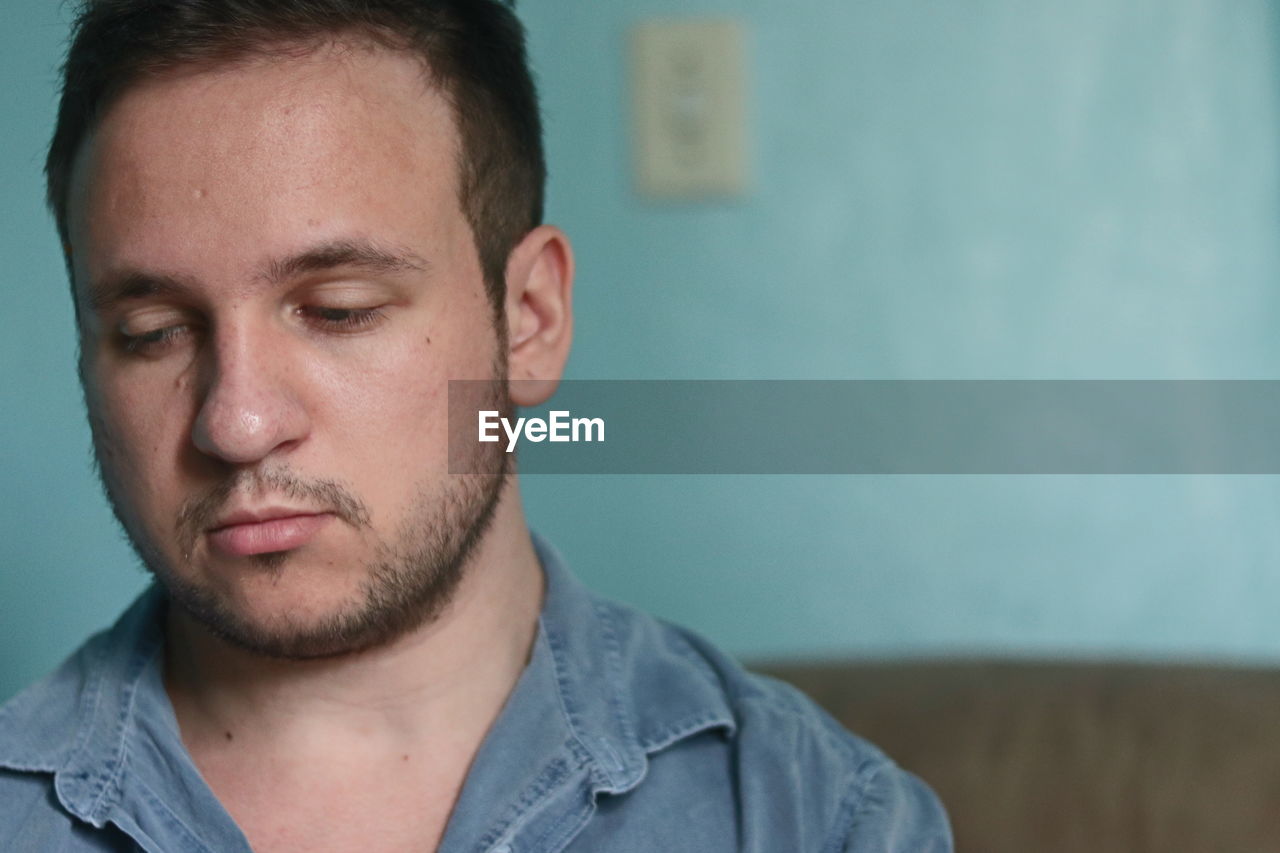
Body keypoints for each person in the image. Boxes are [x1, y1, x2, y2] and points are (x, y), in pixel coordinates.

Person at [0, 1, 952, 850]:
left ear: (529, 318)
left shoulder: (819, 818)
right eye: (151, 332)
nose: (238, 423)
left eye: (338, 309)